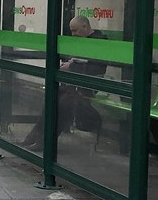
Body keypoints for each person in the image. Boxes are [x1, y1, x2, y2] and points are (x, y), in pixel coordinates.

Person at [21, 14, 107, 148]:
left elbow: (95, 68)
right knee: (51, 100)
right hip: (71, 83)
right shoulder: (80, 40)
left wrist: (71, 66)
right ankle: (33, 137)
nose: (73, 34)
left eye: (75, 30)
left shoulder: (100, 41)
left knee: (63, 105)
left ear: (85, 26)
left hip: (87, 85)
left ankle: (45, 143)